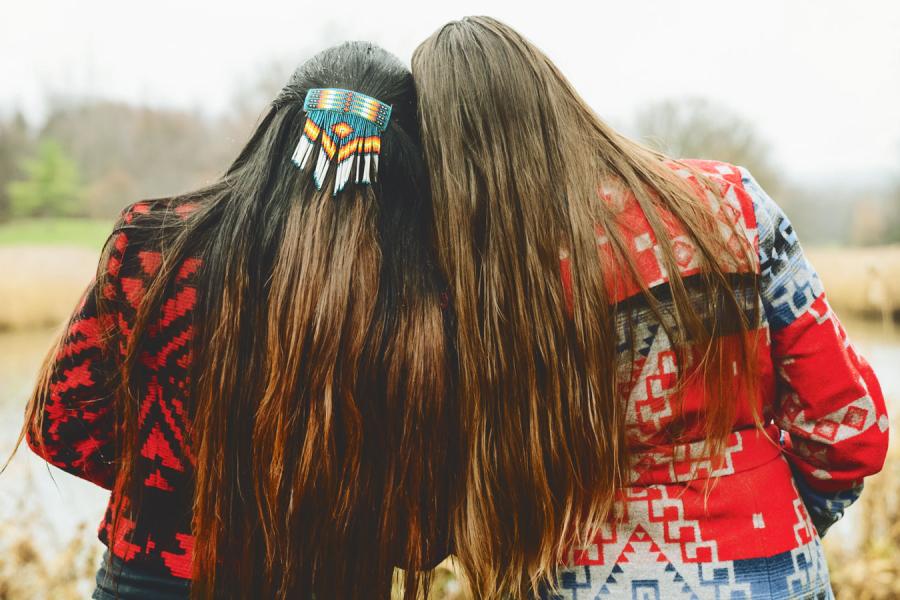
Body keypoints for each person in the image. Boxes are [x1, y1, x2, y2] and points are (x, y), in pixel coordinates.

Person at [411, 16, 889, 600]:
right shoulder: (730, 206)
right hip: (773, 570)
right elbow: (847, 423)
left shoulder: (460, 284)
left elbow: (432, 497)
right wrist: (784, 515)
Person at [17, 42, 453, 600]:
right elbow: (423, 539)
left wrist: (166, 492)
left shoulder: (154, 245)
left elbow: (61, 425)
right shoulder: (423, 298)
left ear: (273, 131)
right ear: (406, 158)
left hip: (149, 582)